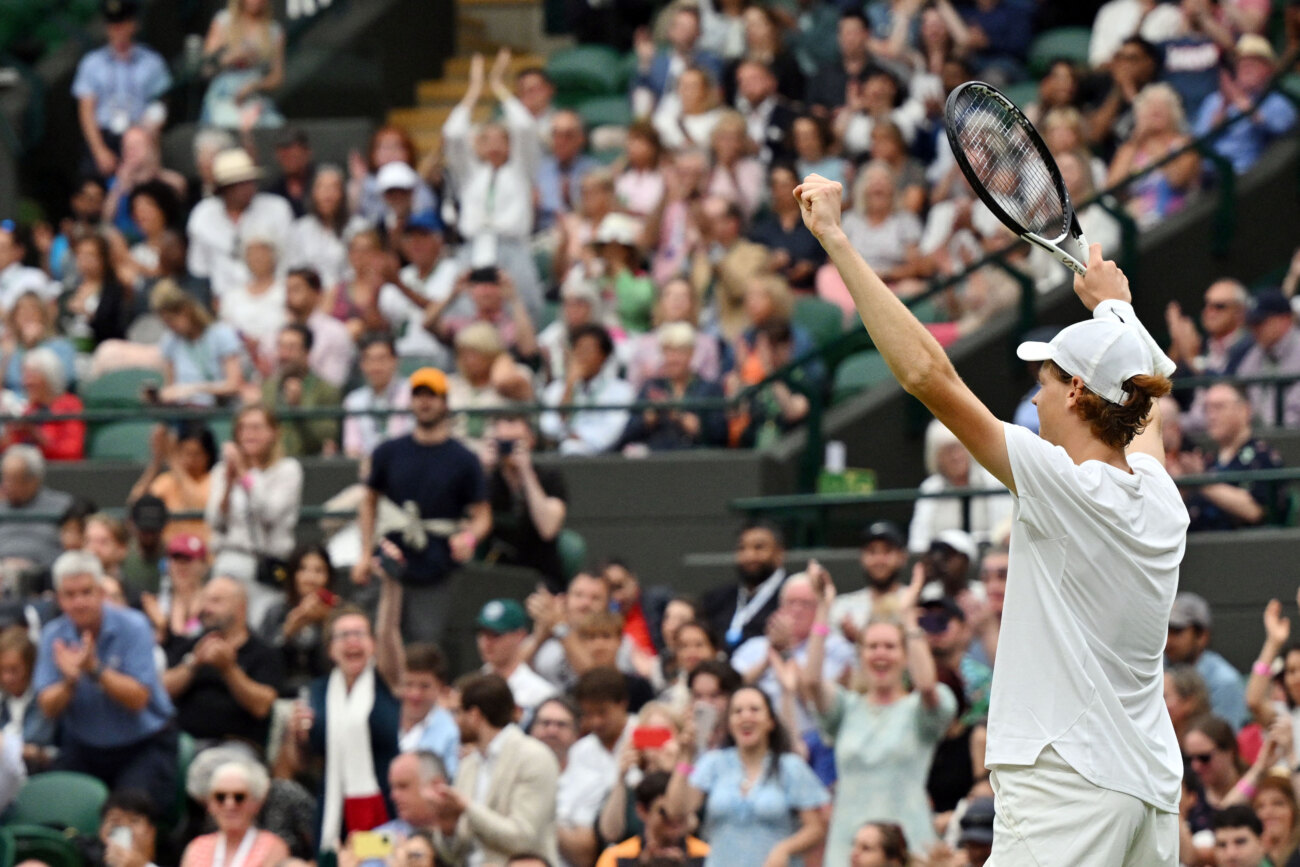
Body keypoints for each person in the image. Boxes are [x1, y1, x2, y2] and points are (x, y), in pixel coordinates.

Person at [795, 171, 1186, 863]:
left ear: (1074, 388)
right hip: (1146, 789)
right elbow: (1146, 401)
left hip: (1067, 780)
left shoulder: (1063, 486)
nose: (1033, 399)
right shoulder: (1160, 495)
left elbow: (928, 377)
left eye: (1041, 382)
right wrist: (1116, 312)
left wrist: (835, 239)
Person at [800, 562, 956, 857]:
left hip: (907, 846)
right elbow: (810, 681)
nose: (880, 654)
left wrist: (908, 617)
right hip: (849, 847)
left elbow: (926, 686)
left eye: (889, 646)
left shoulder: (918, 711)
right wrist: (823, 608)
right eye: (872, 647)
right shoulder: (846, 708)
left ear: (904, 654)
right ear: (860, 654)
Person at [33, 551, 176, 813]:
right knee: (60, 817)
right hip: (84, 747)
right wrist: (70, 680)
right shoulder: (53, 635)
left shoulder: (134, 626)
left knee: (127, 818)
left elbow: (138, 699)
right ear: (59, 598)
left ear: (101, 592)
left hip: (142, 745)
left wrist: (94, 668)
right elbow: (47, 708)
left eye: (86, 592)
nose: (79, 602)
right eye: (70, 595)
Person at [356, 368, 491, 643]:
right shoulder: (389, 452)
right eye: (419, 395)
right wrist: (365, 552)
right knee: (377, 638)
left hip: (436, 568)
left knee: (424, 646)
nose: (425, 402)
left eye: (432, 395)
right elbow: (368, 501)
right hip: (389, 562)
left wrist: (468, 538)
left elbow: (482, 515)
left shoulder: (464, 459)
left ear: (445, 402)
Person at [664, 685, 829, 867]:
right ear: (729, 724)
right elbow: (676, 810)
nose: (745, 716)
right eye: (737, 711)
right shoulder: (714, 763)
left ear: (770, 721)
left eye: (754, 709)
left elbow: (816, 828)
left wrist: (785, 849)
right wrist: (686, 755)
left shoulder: (790, 766)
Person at [290, 606, 400, 849]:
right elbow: (302, 763)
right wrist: (297, 737)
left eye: (359, 633)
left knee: (371, 862)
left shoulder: (388, 681)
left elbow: (390, 631)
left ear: (373, 643)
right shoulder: (318, 691)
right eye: (343, 635)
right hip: (333, 807)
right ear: (330, 649)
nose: (352, 641)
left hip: (382, 805)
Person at [442, 51, 543, 315]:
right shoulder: (470, 174)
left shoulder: (520, 171)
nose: (495, 145)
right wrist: (474, 91)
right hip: (473, 249)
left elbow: (525, 128)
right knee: (462, 314)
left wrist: (499, 87)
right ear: (478, 144)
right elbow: (452, 133)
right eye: (487, 139)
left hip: (511, 249)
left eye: (502, 139)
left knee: (521, 312)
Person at [429, 673, 561, 866]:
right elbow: (455, 856)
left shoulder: (534, 757)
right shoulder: (468, 765)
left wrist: (466, 806)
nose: (454, 722)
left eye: (457, 712)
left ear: (474, 716)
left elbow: (522, 839)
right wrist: (448, 828)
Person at [162, 576, 283, 750]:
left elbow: (262, 706)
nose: (206, 608)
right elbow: (161, 691)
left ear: (241, 607)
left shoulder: (264, 653)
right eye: (204, 600)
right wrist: (193, 663)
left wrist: (229, 669)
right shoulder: (189, 646)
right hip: (180, 743)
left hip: (236, 746)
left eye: (216, 601)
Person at [205, 406, 303, 606]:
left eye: (257, 428)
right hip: (229, 560)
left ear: (274, 432)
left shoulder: (288, 469)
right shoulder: (222, 470)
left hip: (267, 566)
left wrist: (244, 474)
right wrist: (229, 486)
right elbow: (214, 520)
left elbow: (269, 513)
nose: (249, 434)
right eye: (243, 428)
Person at [72, 0, 171, 179]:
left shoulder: (152, 62)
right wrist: (99, 150)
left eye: (122, 24)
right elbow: (86, 110)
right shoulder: (91, 63)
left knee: (142, 187)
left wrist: (147, 133)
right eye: (112, 25)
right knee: (88, 190)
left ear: (134, 24)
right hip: (104, 136)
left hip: (139, 134)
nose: (118, 30)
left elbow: (161, 104)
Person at [186, 149, 294, 302]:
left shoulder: (277, 208)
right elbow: (199, 270)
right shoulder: (203, 215)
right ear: (223, 188)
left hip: (273, 297)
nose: (248, 188)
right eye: (239, 184)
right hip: (222, 300)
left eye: (250, 181)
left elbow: (289, 261)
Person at [480, 414, 568, 593]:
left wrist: (526, 473)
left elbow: (548, 529)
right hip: (497, 572)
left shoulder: (549, 478)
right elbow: (466, 519)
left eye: (517, 442)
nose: (510, 449)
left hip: (541, 574)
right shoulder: (488, 480)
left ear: (531, 441)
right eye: (504, 443)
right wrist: (482, 471)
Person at [1182, 382, 1285, 531]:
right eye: (1207, 409)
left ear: (1245, 410)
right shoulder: (1208, 460)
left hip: (1246, 550)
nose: (1211, 416)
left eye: (1219, 407)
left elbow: (1255, 511)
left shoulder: (1263, 456)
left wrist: (1201, 480)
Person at [1193, 35, 1297, 175]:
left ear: (1269, 70)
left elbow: (1284, 131)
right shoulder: (1214, 100)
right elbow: (1196, 141)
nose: (1246, 67)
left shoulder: (1277, 100)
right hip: (1206, 179)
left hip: (1247, 179)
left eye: (1254, 62)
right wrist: (1219, 116)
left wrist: (1246, 107)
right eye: (1242, 62)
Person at [617, 323, 727, 452]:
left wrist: (679, 415)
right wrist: (649, 418)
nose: (673, 359)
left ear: (691, 354)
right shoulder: (651, 387)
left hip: (698, 461)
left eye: (679, 352)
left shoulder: (710, 389)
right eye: (668, 352)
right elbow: (627, 435)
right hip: (657, 460)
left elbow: (720, 436)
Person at [539, 324, 635, 456]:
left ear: (604, 356)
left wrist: (581, 438)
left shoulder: (621, 391)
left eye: (589, 350)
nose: (582, 356)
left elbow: (613, 431)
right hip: (558, 459)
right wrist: (569, 386)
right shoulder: (556, 388)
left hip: (600, 462)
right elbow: (548, 427)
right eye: (578, 349)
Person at [151, 280, 248, 407]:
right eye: (166, 323)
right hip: (185, 412)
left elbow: (234, 384)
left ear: (187, 311)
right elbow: (171, 388)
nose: (171, 327)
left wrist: (192, 390)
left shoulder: (221, 334)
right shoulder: (170, 341)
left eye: (172, 320)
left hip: (218, 407)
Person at [258, 542, 335, 697]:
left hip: (326, 693)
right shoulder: (276, 611)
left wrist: (327, 623)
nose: (310, 578)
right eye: (303, 569)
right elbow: (262, 661)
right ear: (293, 574)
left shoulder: (338, 612)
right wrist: (287, 632)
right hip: (281, 693)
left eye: (319, 571)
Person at [180, 758, 289, 867]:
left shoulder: (272, 847)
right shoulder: (196, 848)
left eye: (239, 797)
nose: (229, 805)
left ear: (256, 803)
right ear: (210, 805)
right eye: (220, 797)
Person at [256, 324, 341, 458]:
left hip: (309, 464)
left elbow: (327, 436)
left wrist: (299, 408)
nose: (283, 354)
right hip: (272, 464)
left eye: (291, 348)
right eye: (280, 347)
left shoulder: (326, 390)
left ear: (307, 352)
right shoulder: (268, 388)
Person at [701, 522, 788, 653]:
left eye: (759, 548)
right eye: (742, 548)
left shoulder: (793, 595)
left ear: (779, 553)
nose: (749, 556)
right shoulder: (717, 598)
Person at [1165, 592, 1248, 728]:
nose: (1168, 640)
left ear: (1202, 636)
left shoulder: (1225, 681)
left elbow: (1224, 742)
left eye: (1177, 631)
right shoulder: (1158, 668)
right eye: (1166, 631)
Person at [199, 0, 286, 129]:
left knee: (274, 126)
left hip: (255, 97)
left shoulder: (274, 31)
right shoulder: (224, 21)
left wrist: (254, 86)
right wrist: (230, 57)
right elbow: (205, 68)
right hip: (224, 94)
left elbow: (277, 77)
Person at [595, 771, 709, 867]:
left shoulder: (706, 855)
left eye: (680, 810)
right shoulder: (616, 857)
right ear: (642, 810)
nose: (674, 819)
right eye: (665, 812)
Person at [129, 422, 217, 545]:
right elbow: (135, 505)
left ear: (208, 455)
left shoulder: (215, 479)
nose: (189, 460)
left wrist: (172, 459)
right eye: (185, 453)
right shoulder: (168, 480)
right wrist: (156, 462)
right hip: (169, 552)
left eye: (196, 454)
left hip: (201, 551)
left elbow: (195, 504)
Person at [1, 348, 86, 461]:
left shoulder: (70, 405)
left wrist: (36, 435)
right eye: (24, 375)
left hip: (61, 474)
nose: (25, 382)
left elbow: (71, 453)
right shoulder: (30, 410)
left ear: (49, 377)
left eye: (31, 375)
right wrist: (10, 432)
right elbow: (8, 452)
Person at [476, 600, 556, 718]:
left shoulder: (541, 694)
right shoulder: (472, 685)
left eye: (495, 634)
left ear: (520, 636)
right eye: (483, 634)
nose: (486, 642)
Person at [829, 521, 907, 642]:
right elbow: (824, 638)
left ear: (902, 557)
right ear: (862, 558)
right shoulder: (843, 607)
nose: (879, 560)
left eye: (887, 552)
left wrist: (861, 639)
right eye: (872, 552)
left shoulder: (916, 602)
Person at [0, 444, 73, 570]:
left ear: (33, 480)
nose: (6, 485)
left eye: (13, 480)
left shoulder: (64, 507)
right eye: (4, 478)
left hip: (46, 578)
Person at [343, 333, 413, 461]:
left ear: (395, 360)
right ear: (362, 364)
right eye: (369, 360)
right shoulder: (353, 400)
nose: (375, 366)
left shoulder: (412, 392)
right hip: (368, 469)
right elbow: (352, 449)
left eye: (382, 359)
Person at [1235, 290, 1300, 428]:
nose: (1254, 329)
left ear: (1285, 319)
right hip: (1263, 437)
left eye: (1260, 322)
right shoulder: (1255, 353)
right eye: (1252, 323)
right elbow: (1239, 387)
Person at [282, 267, 355, 390]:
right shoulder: (280, 330)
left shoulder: (335, 332)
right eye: (287, 290)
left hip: (319, 402)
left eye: (296, 289)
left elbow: (333, 384)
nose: (289, 296)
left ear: (316, 293)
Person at [396, 643, 459, 777]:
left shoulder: (452, 734)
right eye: (408, 684)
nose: (415, 695)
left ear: (440, 688)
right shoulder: (382, 722)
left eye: (424, 686)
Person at [2, 291, 76, 401]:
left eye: (33, 312)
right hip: (14, 404)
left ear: (43, 317)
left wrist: (34, 347)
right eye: (22, 312)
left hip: (48, 405)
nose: (27, 316)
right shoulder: (8, 349)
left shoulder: (61, 346)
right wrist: (6, 357)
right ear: (14, 319)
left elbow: (64, 381)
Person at [0, 624, 55, 771]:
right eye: (2, 670)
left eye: (14, 670)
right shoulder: (2, 698)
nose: (6, 678)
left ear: (30, 667)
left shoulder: (45, 698)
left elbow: (38, 741)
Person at [1252, 774, 1300, 867]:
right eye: (1260, 806)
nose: (1267, 812)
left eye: (1278, 803)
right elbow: (1224, 814)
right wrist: (1258, 769)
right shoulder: (1247, 854)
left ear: (1294, 809)